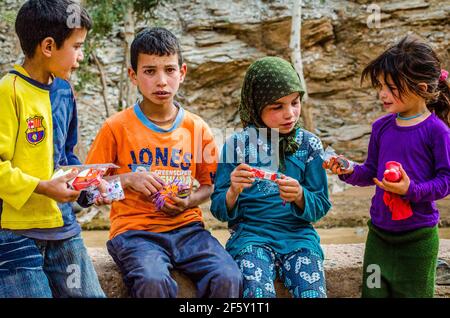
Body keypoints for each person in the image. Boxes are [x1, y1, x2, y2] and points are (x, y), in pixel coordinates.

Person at [85, 27, 242, 298]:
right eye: (149, 71)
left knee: (229, 276)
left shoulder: (197, 128)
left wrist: (189, 201)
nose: (161, 81)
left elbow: (211, 185)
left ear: (182, 73)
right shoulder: (115, 127)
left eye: (169, 70)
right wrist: (127, 180)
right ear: (133, 75)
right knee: (153, 281)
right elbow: (86, 190)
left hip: (188, 230)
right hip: (135, 233)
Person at [323, 35, 450, 298]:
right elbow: (370, 172)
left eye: (391, 87)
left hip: (418, 240)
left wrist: (411, 190)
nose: (382, 93)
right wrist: (347, 169)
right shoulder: (381, 127)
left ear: (422, 88)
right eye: (379, 85)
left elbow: (446, 181)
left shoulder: (437, 132)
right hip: (379, 235)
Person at [0, 0, 105, 297]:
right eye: (77, 46)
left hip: (63, 228)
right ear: (48, 46)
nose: (81, 57)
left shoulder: (63, 90)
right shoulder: (9, 91)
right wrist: (44, 187)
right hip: (15, 232)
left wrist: (88, 186)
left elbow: (66, 155)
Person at [210, 56, 332, 298]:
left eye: (295, 102)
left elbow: (320, 205)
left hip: (299, 240)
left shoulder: (309, 146)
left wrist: (300, 196)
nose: (290, 114)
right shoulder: (237, 146)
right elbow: (218, 209)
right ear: (256, 106)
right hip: (251, 239)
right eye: (277, 106)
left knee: (313, 294)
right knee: (257, 295)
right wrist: (233, 191)